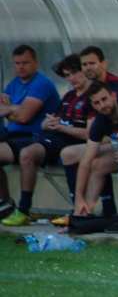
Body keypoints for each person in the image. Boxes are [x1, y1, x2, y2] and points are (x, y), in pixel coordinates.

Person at [1, 55, 95, 227]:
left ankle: (77, 210)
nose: (71, 79)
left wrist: (60, 127)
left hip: (71, 143)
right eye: (66, 75)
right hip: (52, 138)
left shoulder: (94, 96)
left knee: (32, 153)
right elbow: (49, 121)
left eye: (74, 73)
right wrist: (48, 123)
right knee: (27, 153)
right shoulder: (69, 96)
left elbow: (91, 133)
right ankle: (17, 208)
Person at [60, 45, 118, 224]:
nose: (88, 68)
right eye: (84, 64)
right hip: (106, 140)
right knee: (76, 155)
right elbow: (95, 128)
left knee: (89, 158)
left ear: (104, 63)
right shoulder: (90, 90)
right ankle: (81, 208)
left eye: (92, 63)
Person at [71, 81, 118, 233]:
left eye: (104, 99)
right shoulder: (100, 120)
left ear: (113, 96)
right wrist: (78, 197)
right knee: (96, 165)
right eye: (97, 103)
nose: (102, 105)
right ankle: (86, 211)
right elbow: (86, 161)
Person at [0, 44, 62, 221]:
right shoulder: (14, 83)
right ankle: (4, 203)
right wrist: (14, 109)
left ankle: (15, 206)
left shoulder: (41, 84)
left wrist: (10, 109)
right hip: (12, 135)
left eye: (25, 63)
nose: (20, 67)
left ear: (35, 62)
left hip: (34, 137)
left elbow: (25, 117)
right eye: (17, 63)